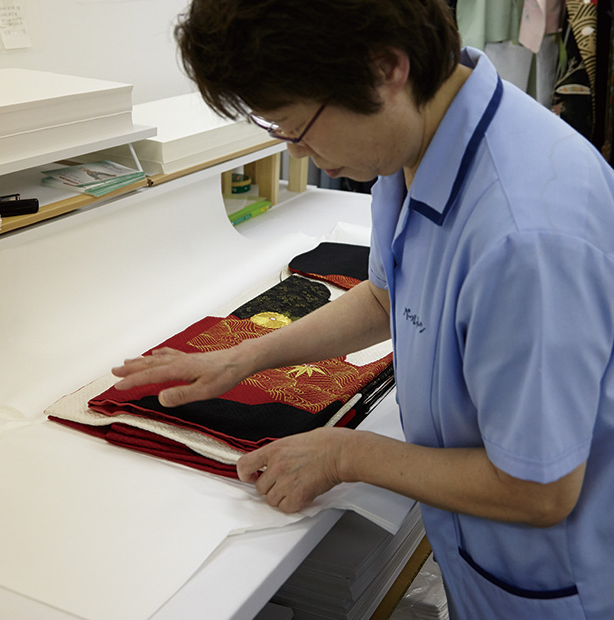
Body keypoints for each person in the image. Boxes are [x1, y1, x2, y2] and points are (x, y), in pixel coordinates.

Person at [112, 1, 614, 617]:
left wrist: (346, 454)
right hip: (489, 559)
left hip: (561, 583)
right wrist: (241, 358)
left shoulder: (525, 239)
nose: (300, 155)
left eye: (297, 128)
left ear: (386, 69)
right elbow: (384, 296)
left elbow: (539, 489)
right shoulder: (415, 144)